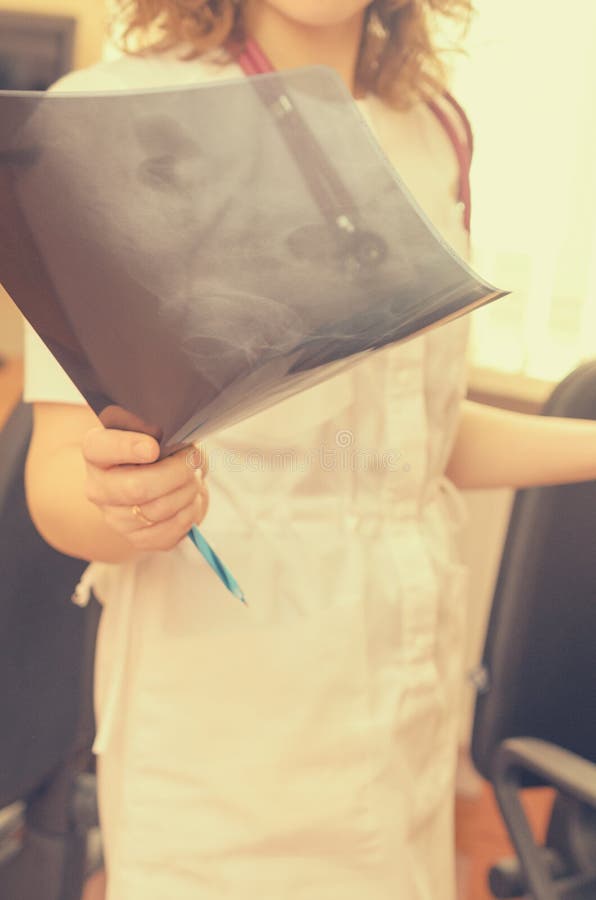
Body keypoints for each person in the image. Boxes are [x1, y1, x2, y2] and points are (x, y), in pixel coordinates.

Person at [23, 2, 596, 898]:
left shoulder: (433, 127)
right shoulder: (113, 118)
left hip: (407, 703)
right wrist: (129, 505)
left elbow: (414, 438)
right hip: (228, 724)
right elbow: (59, 482)